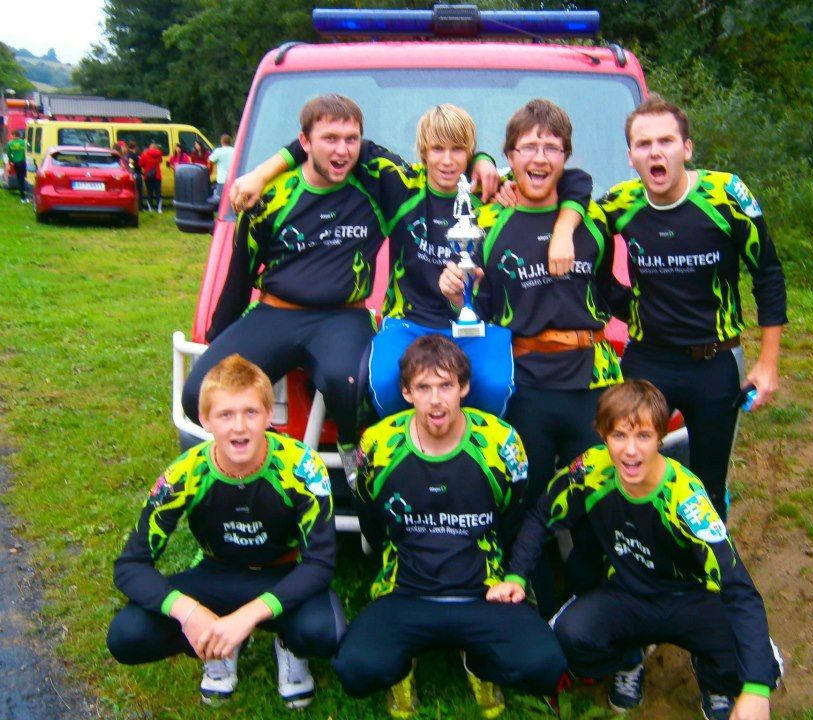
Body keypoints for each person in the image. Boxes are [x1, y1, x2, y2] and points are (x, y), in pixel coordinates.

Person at [229, 104, 584, 419]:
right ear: (423, 152)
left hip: (474, 326)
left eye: (458, 150)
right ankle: (401, 455)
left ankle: (474, 458)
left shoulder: (491, 192)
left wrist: (485, 162)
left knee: (494, 387)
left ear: (470, 152)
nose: (447, 161)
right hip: (409, 323)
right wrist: (262, 173)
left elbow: (574, 180)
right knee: (384, 384)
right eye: (437, 149)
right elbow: (330, 143)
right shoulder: (400, 184)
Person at [488, 380, 782, 719]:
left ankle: (715, 677)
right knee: (570, 634)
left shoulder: (685, 500)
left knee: (761, 666)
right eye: (619, 435)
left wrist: (757, 687)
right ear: (602, 435)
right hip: (626, 594)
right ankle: (628, 659)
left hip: (689, 599)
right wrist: (516, 575)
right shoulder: (591, 469)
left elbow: (738, 586)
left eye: (643, 436)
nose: (631, 451)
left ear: (660, 436)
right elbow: (542, 516)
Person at [439, 98, 626, 615]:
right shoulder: (487, 221)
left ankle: (596, 608)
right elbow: (481, 308)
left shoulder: (592, 217)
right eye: (528, 147)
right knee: (525, 504)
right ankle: (535, 608)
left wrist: (566, 226)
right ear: (509, 157)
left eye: (552, 148)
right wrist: (456, 296)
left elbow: (608, 285)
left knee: (601, 500)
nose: (540, 157)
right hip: (526, 384)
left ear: (565, 157)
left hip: (593, 381)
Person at [331, 335, 567, 719]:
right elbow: (370, 517)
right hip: (405, 593)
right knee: (356, 670)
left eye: (445, 386)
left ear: (464, 388)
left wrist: (509, 575)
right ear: (407, 393)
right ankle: (400, 668)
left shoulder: (500, 443)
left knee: (544, 665)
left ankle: (480, 662)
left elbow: (513, 516)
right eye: (423, 387)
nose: (436, 400)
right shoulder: (378, 444)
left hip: (483, 594)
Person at [106, 355, 344, 709]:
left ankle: (287, 644)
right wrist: (190, 613)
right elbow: (130, 565)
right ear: (205, 420)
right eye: (225, 415)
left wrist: (250, 614)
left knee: (324, 632)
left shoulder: (302, 467)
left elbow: (320, 562)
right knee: (127, 635)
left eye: (251, 412)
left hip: (281, 573)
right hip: (216, 573)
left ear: (268, 414)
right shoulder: (185, 473)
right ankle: (216, 641)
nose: (239, 427)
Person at [594, 95, 788, 521]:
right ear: (630, 157)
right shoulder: (619, 203)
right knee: (632, 470)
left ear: (687, 148)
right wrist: (629, 308)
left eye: (666, 141)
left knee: (707, 483)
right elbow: (579, 238)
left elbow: (768, 274)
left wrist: (768, 362)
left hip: (715, 362)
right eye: (643, 144)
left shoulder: (727, 196)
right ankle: (642, 551)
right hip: (648, 360)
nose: (655, 152)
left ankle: (707, 557)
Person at [208, 133, 235, 199]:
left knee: (220, 200)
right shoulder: (234, 150)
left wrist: (210, 171)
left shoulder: (218, 151)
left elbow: (209, 161)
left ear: (221, 141)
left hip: (221, 180)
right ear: (230, 141)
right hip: (232, 180)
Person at [139, 142, 164, 212]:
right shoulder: (159, 154)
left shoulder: (144, 154)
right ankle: (159, 209)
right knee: (158, 192)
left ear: (149, 148)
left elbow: (140, 164)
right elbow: (160, 161)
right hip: (157, 175)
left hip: (148, 175)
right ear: (155, 148)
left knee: (149, 192)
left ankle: (150, 208)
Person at [4, 130, 28, 203]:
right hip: (23, 162)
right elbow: (27, 151)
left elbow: (9, 154)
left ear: (15, 135)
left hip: (16, 163)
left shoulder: (10, 143)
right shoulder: (23, 142)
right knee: (23, 178)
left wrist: (12, 160)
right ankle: (23, 197)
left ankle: (22, 196)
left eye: (12, 135)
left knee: (19, 178)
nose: (11, 136)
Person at [127, 141, 145, 210]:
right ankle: (140, 207)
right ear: (135, 147)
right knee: (139, 191)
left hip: (134, 173)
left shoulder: (129, 154)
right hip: (136, 174)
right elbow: (131, 165)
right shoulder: (133, 155)